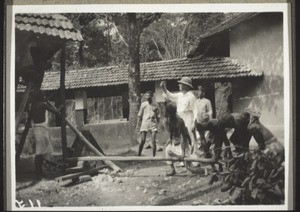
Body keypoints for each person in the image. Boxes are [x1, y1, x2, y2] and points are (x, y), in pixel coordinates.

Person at [160, 77, 197, 154]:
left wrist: (194, 122)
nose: (179, 85)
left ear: (186, 86)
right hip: (179, 118)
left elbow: (195, 110)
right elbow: (169, 95)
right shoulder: (179, 95)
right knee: (180, 137)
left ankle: (191, 156)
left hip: (188, 118)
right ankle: (182, 157)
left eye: (181, 84)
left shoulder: (191, 96)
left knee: (188, 136)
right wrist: (163, 87)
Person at [30, 89, 57, 179]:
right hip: (41, 129)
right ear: (41, 97)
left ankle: (39, 172)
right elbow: (54, 111)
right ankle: (38, 173)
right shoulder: (43, 105)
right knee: (39, 152)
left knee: (40, 151)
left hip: (36, 128)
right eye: (43, 96)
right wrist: (59, 109)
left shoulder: (33, 105)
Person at [164, 102, 191, 176]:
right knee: (167, 150)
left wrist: (182, 152)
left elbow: (184, 136)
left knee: (190, 170)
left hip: (183, 145)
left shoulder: (179, 120)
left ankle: (190, 166)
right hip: (175, 144)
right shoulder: (168, 121)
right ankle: (172, 169)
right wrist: (168, 142)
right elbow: (171, 134)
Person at [136, 91, 161, 157]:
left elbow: (158, 116)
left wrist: (158, 125)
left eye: (149, 96)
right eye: (146, 96)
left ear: (152, 96)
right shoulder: (143, 104)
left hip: (153, 124)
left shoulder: (155, 105)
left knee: (153, 140)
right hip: (145, 123)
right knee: (143, 140)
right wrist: (138, 125)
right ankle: (138, 155)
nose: (147, 98)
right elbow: (140, 115)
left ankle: (154, 156)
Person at [193, 85, 213, 157]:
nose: (199, 93)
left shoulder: (207, 101)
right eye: (198, 91)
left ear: (203, 93)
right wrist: (194, 121)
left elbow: (210, 111)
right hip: (199, 122)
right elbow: (194, 112)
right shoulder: (195, 102)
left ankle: (207, 153)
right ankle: (203, 154)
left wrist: (209, 119)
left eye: (200, 92)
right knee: (201, 138)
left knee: (208, 138)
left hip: (206, 122)